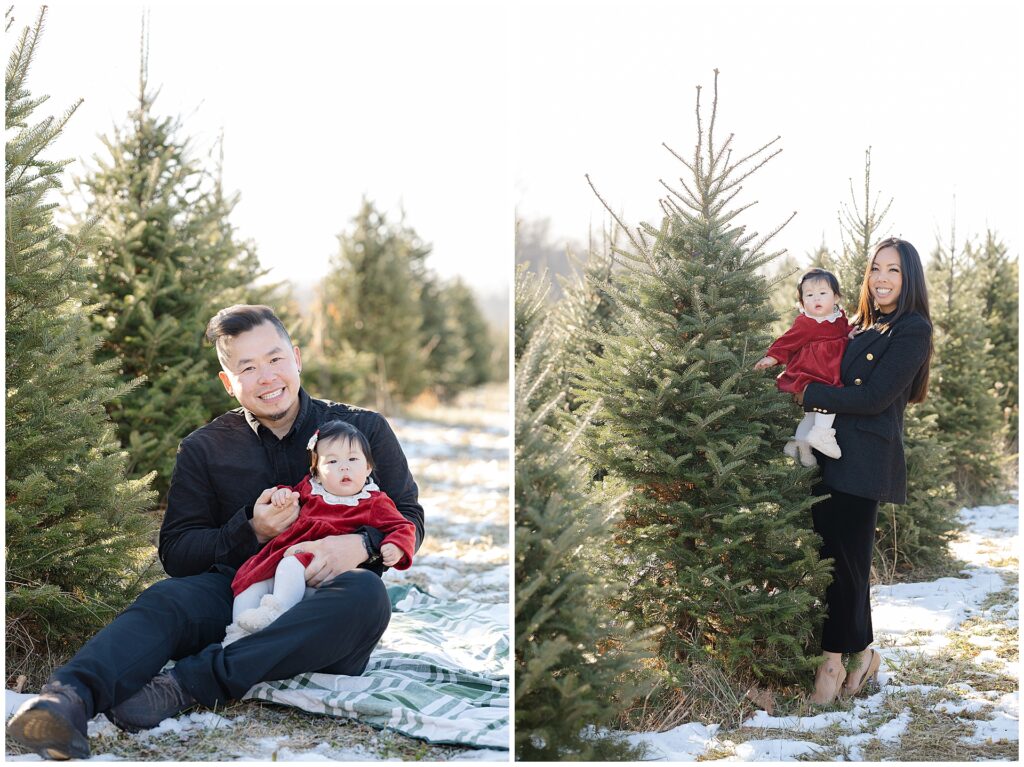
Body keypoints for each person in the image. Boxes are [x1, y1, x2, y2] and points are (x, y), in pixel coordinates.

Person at [7, 305, 425, 759]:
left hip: (329, 609)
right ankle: (65, 701)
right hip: (237, 595)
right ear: (229, 381)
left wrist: (361, 544)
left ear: (297, 357)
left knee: (367, 595)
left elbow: (409, 518)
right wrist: (249, 529)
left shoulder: (363, 430)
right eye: (247, 367)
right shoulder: (204, 448)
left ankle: (184, 686)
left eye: (275, 359)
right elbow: (178, 552)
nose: (267, 377)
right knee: (166, 599)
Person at [794, 238, 932, 705]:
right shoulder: (856, 324)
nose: (882, 279)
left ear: (908, 277)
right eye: (876, 269)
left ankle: (832, 663)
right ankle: (864, 655)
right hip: (829, 452)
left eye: (893, 270)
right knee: (842, 562)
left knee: (844, 564)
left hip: (866, 460)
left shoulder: (912, 329)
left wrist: (808, 394)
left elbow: (874, 399)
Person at [225, 420, 416, 644]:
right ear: (316, 472)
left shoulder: (373, 502)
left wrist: (395, 546)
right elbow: (291, 494)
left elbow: (402, 526)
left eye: (353, 459)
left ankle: (276, 615)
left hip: (326, 575)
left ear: (368, 468)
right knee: (249, 583)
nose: (344, 467)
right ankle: (237, 635)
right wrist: (282, 495)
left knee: (291, 564)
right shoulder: (310, 488)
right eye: (332, 461)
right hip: (281, 561)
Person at [755, 268, 852, 465]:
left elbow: (844, 330)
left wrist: (850, 333)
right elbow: (787, 342)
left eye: (823, 293)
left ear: (836, 297)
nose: (816, 298)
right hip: (816, 371)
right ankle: (823, 434)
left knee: (811, 414)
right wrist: (772, 358)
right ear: (802, 302)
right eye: (809, 295)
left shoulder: (839, 317)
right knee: (829, 399)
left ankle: (798, 444)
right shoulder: (806, 323)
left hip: (829, 367)